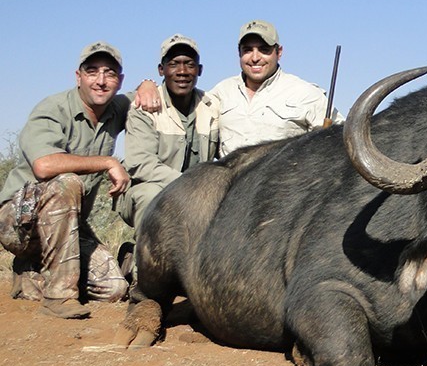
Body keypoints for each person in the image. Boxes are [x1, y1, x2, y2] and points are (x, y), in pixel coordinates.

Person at [0, 42, 131, 319]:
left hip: (69, 227)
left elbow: (148, 96)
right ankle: (58, 297)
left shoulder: (118, 107)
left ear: (120, 80)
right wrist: (108, 161)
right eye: (92, 71)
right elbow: (44, 165)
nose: (101, 80)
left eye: (110, 73)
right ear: (78, 76)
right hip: (19, 224)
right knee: (67, 182)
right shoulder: (53, 108)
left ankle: (31, 275)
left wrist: (146, 86)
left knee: (114, 289)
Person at [136, 20, 344, 157]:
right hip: (231, 196)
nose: (255, 58)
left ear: (278, 52)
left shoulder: (306, 93)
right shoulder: (220, 93)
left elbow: (342, 141)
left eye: (264, 50)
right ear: (239, 53)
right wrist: (147, 83)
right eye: (247, 50)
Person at [116, 34, 219, 236]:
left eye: (189, 64)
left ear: (200, 70)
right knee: (152, 197)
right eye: (174, 64)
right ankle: (143, 265)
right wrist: (189, 186)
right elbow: (140, 163)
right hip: (148, 190)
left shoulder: (212, 106)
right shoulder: (144, 105)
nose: (182, 71)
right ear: (161, 70)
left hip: (197, 194)